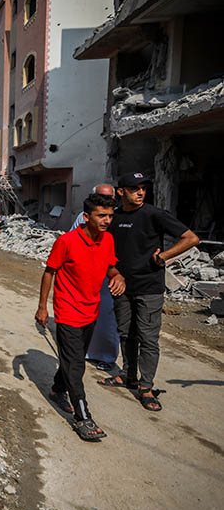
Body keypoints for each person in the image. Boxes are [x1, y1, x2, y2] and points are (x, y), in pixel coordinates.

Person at [99, 172, 199, 411]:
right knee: (126, 333)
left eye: (143, 188)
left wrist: (163, 256)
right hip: (121, 286)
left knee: (148, 338)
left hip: (149, 288)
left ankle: (146, 387)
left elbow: (191, 238)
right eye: (135, 188)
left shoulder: (154, 214)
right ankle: (128, 375)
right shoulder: (115, 216)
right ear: (121, 192)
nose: (141, 192)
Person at [35, 193, 126, 441]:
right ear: (86, 217)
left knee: (71, 360)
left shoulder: (108, 239)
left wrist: (117, 276)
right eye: (101, 215)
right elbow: (49, 272)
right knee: (76, 365)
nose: (107, 220)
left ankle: (57, 389)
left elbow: (110, 267)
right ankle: (83, 417)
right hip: (67, 311)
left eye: (110, 216)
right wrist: (42, 307)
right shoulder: (66, 241)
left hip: (91, 310)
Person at [70, 184, 119, 370]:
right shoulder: (83, 217)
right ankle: (82, 351)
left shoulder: (115, 217)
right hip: (86, 274)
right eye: (101, 196)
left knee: (107, 317)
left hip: (108, 273)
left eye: (109, 197)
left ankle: (106, 356)